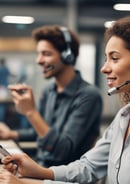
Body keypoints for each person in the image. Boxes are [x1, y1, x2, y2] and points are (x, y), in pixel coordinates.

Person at [0, 14, 130, 184]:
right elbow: (88, 167)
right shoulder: (123, 117)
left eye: (114, 58)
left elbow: (63, 151)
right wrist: (40, 172)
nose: (104, 68)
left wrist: (28, 183)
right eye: (106, 59)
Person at [0, 25, 103, 167]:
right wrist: (10, 134)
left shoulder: (89, 96)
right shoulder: (49, 91)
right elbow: (39, 132)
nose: (39, 60)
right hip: (42, 166)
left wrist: (31, 112)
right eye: (39, 54)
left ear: (68, 56)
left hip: (65, 176)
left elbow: (63, 150)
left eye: (46, 54)